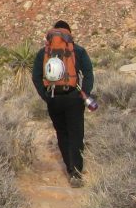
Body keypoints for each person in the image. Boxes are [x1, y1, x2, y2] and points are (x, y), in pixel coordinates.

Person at [31, 20, 94, 187]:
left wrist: (46, 96)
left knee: (62, 133)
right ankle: (76, 173)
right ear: (68, 33)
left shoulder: (44, 52)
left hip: (54, 99)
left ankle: (69, 168)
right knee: (76, 135)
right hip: (74, 97)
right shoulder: (77, 50)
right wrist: (84, 94)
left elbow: (36, 76)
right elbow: (88, 73)